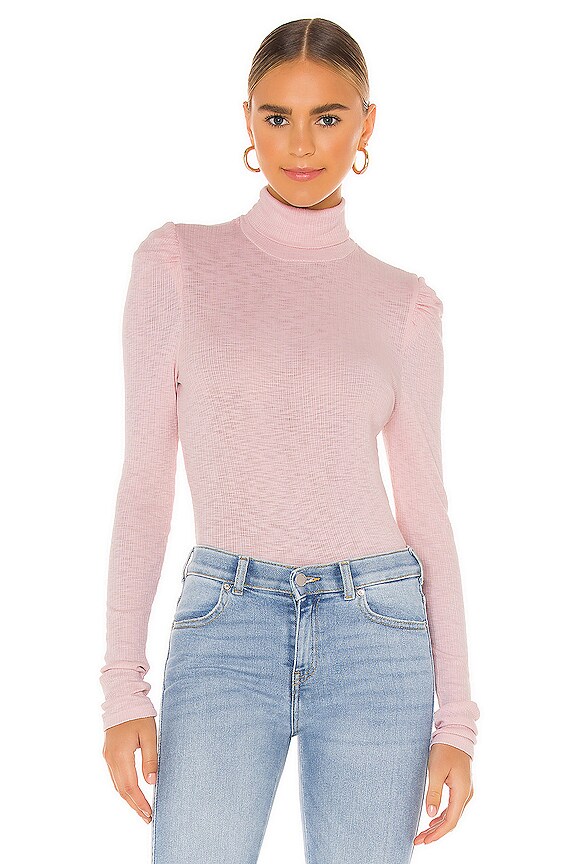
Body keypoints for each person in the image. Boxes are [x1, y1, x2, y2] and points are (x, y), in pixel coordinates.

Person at [100, 17, 480, 864]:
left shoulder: (405, 306)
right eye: (277, 117)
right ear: (247, 121)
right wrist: (122, 688)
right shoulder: (177, 264)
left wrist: (457, 720)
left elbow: (428, 515)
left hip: (377, 630)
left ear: (366, 125)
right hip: (224, 623)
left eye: (328, 117)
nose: (300, 144)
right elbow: (145, 481)